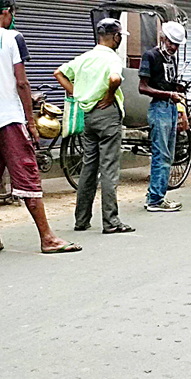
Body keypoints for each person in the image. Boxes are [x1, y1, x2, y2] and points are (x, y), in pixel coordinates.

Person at [0, 0, 80, 255]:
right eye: (12, 13)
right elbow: (21, 82)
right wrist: (30, 121)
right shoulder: (12, 38)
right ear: (5, 12)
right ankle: (47, 237)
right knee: (27, 175)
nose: (13, 18)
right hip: (10, 119)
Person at [55, 18, 133, 234]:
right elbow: (115, 79)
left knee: (89, 167)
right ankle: (111, 221)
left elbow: (58, 73)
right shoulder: (111, 58)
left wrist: (77, 93)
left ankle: (81, 219)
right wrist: (108, 96)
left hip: (88, 115)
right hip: (107, 114)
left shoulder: (84, 58)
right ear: (116, 37)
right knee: (108, 168)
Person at [139, 21, 187, 213]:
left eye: (177, 45)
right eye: (171, 43)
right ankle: (156, 199)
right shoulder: (150, 56)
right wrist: (168, 94)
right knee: (162, 154)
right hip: (159, 108)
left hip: (171, 107)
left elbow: (167, 83)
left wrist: (176, 91)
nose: (174, 48)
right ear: (163, 38)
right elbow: (143, 87)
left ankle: (155, 194)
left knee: (168, 154)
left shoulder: (171, 59)